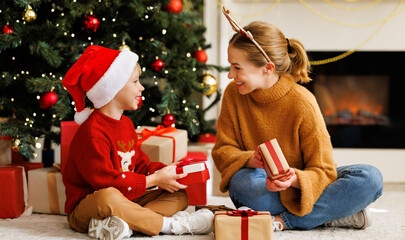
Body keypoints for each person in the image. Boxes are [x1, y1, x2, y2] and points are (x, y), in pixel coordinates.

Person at [212, 8, 383, 231]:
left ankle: (285, 221)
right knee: (242, 184)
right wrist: (249, 160)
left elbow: (323, 169)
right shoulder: (233, 94)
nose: (230, 75)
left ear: (267, 68)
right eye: (230, 65)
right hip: (263, 186)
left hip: (304, 185)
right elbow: (223, 150)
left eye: (237, 67)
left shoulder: (303, 102)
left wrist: (294, 180)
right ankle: (331, 215)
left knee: (370, 178)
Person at [62, 45, 214, 239]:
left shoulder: (126, 124)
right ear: (113, 89)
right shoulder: (92, 133)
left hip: (126, 198)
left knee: (177, 195)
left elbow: (140, 165)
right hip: (90, 207)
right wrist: (152, 181)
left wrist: (163, 173)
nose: (141, 87)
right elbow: (106, 183)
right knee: (108, 197)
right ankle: (170, 225)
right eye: (135, 81)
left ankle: (126, 225)